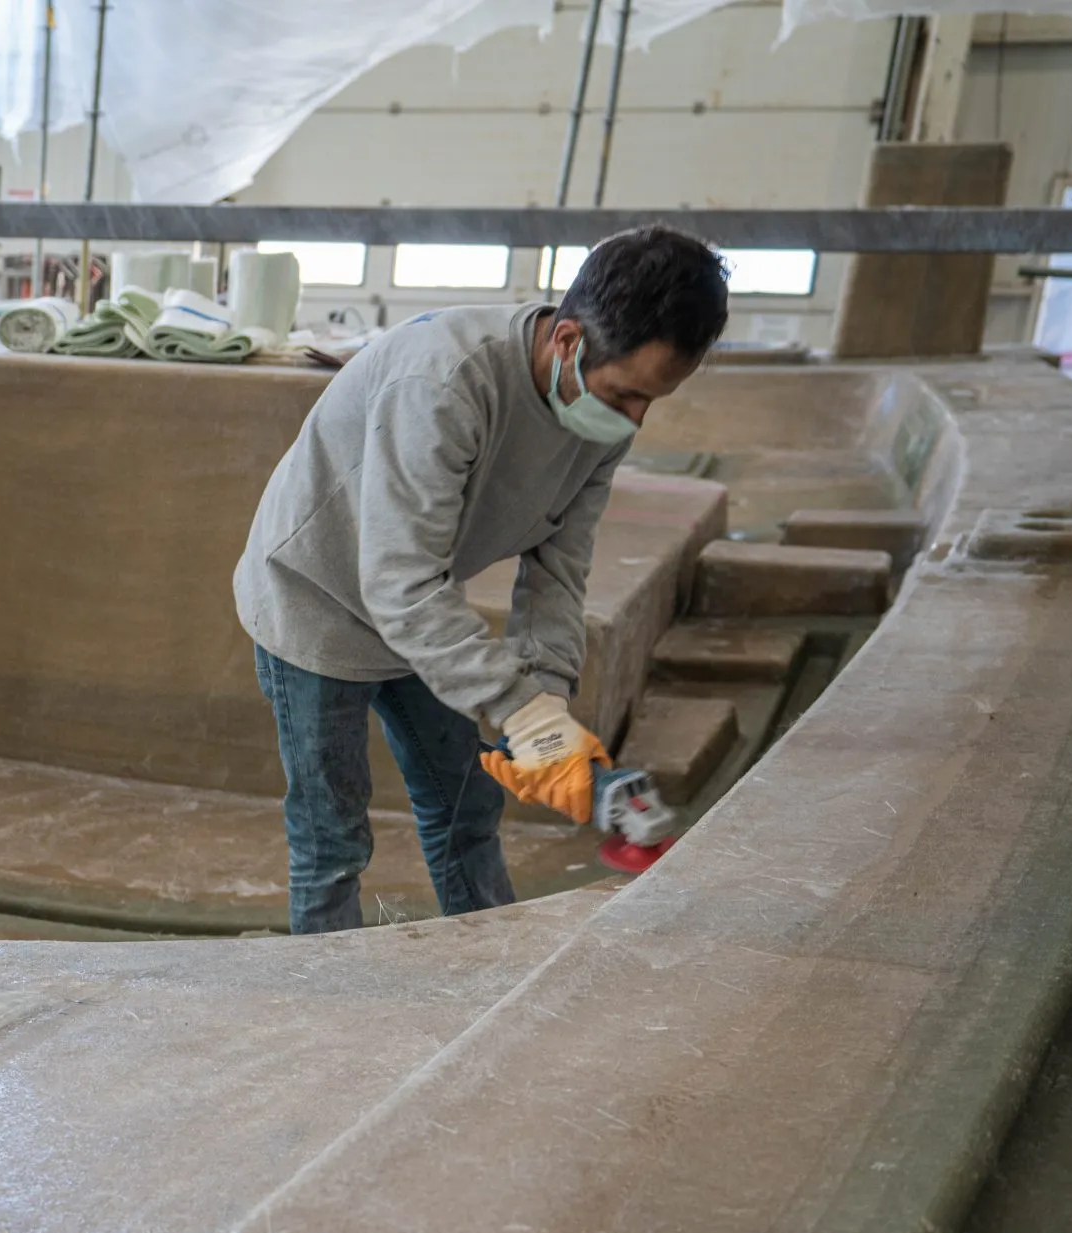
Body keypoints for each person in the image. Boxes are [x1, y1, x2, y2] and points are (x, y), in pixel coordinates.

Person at [232, 223, 729, 934]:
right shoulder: (443, 382)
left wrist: (546, 709)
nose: (635, 418)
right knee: (332, 838)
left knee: (466, 806)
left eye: (652, 400)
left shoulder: (602, 420)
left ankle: (487, 963)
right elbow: (398, 582)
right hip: (315, 602)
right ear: (568, 340)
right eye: (625, 395)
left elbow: (559, 568)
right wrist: (518, 711)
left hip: (422, 616)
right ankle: (331, 986)